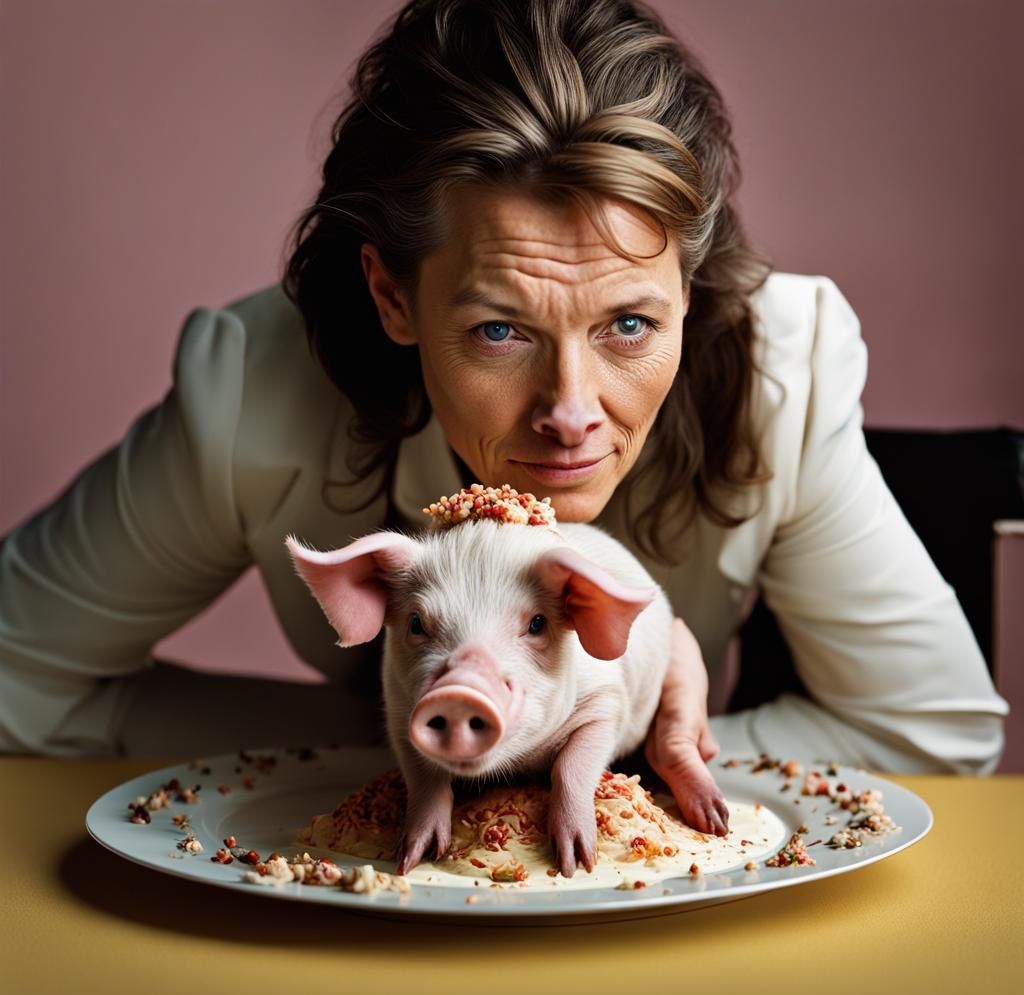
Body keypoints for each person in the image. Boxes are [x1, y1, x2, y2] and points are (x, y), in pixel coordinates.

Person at [0, 0, 1007, 819]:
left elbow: (926, 737)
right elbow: (16, 678)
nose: (570, 412)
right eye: (498, 331)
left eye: (626, 324)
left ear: (690, 293)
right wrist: (407, 750)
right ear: (393, 296)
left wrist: (601, 753)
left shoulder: (784, 372)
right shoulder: (252, 391)